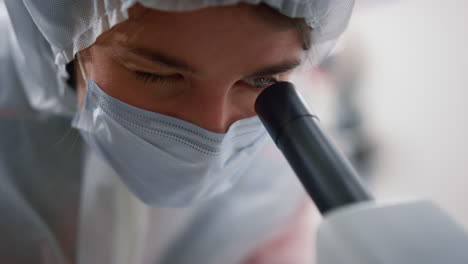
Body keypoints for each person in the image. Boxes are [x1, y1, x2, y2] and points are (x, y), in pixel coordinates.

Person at [0, 0, 355, 263]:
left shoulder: (281, 183)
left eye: (261, 80)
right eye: (156, 74)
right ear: (61, 42)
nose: (211, 129)